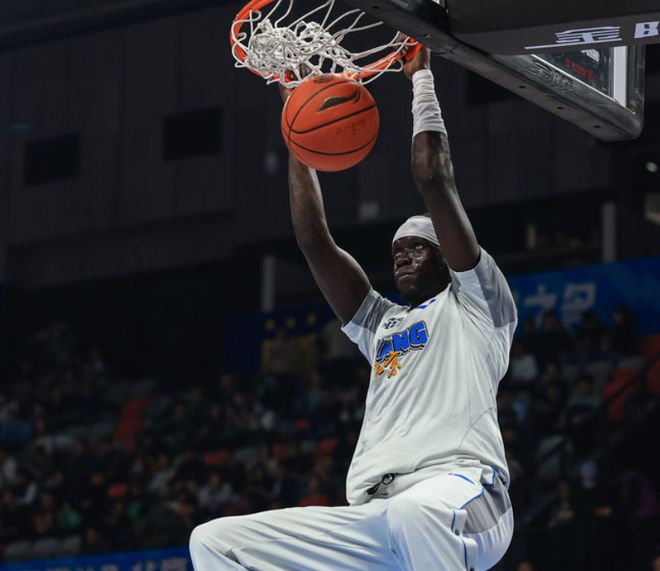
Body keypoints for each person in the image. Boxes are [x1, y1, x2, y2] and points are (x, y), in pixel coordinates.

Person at [190, 45, 516, 570]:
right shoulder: (382, 323)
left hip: (464, 494)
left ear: (447, 257)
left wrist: (421, 80)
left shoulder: (478, 304)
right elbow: (314, 242)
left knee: (414, 514)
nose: (402, 257)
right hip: (375, 517)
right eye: (396, 251)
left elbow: (434, 181)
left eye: (417, 248)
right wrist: (296, 123)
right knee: (214, 541)